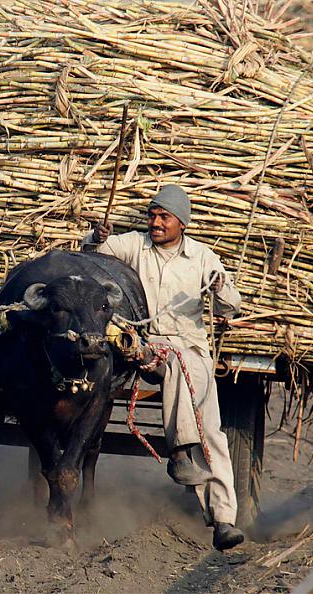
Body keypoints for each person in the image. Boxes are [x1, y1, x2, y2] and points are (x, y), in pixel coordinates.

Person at [83, 184, 245, 551]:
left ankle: (223, 520)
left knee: (214, 432)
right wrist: (97, 235)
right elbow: (90, 253)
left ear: (181, 224)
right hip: (146, 346)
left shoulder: (203, 257)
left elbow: (230, 308)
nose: (156, 222)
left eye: (164, 217)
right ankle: (180, 451)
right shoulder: (134, 245)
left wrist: (220, 288)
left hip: (194, 349)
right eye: (152, 215)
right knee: (175, 364)